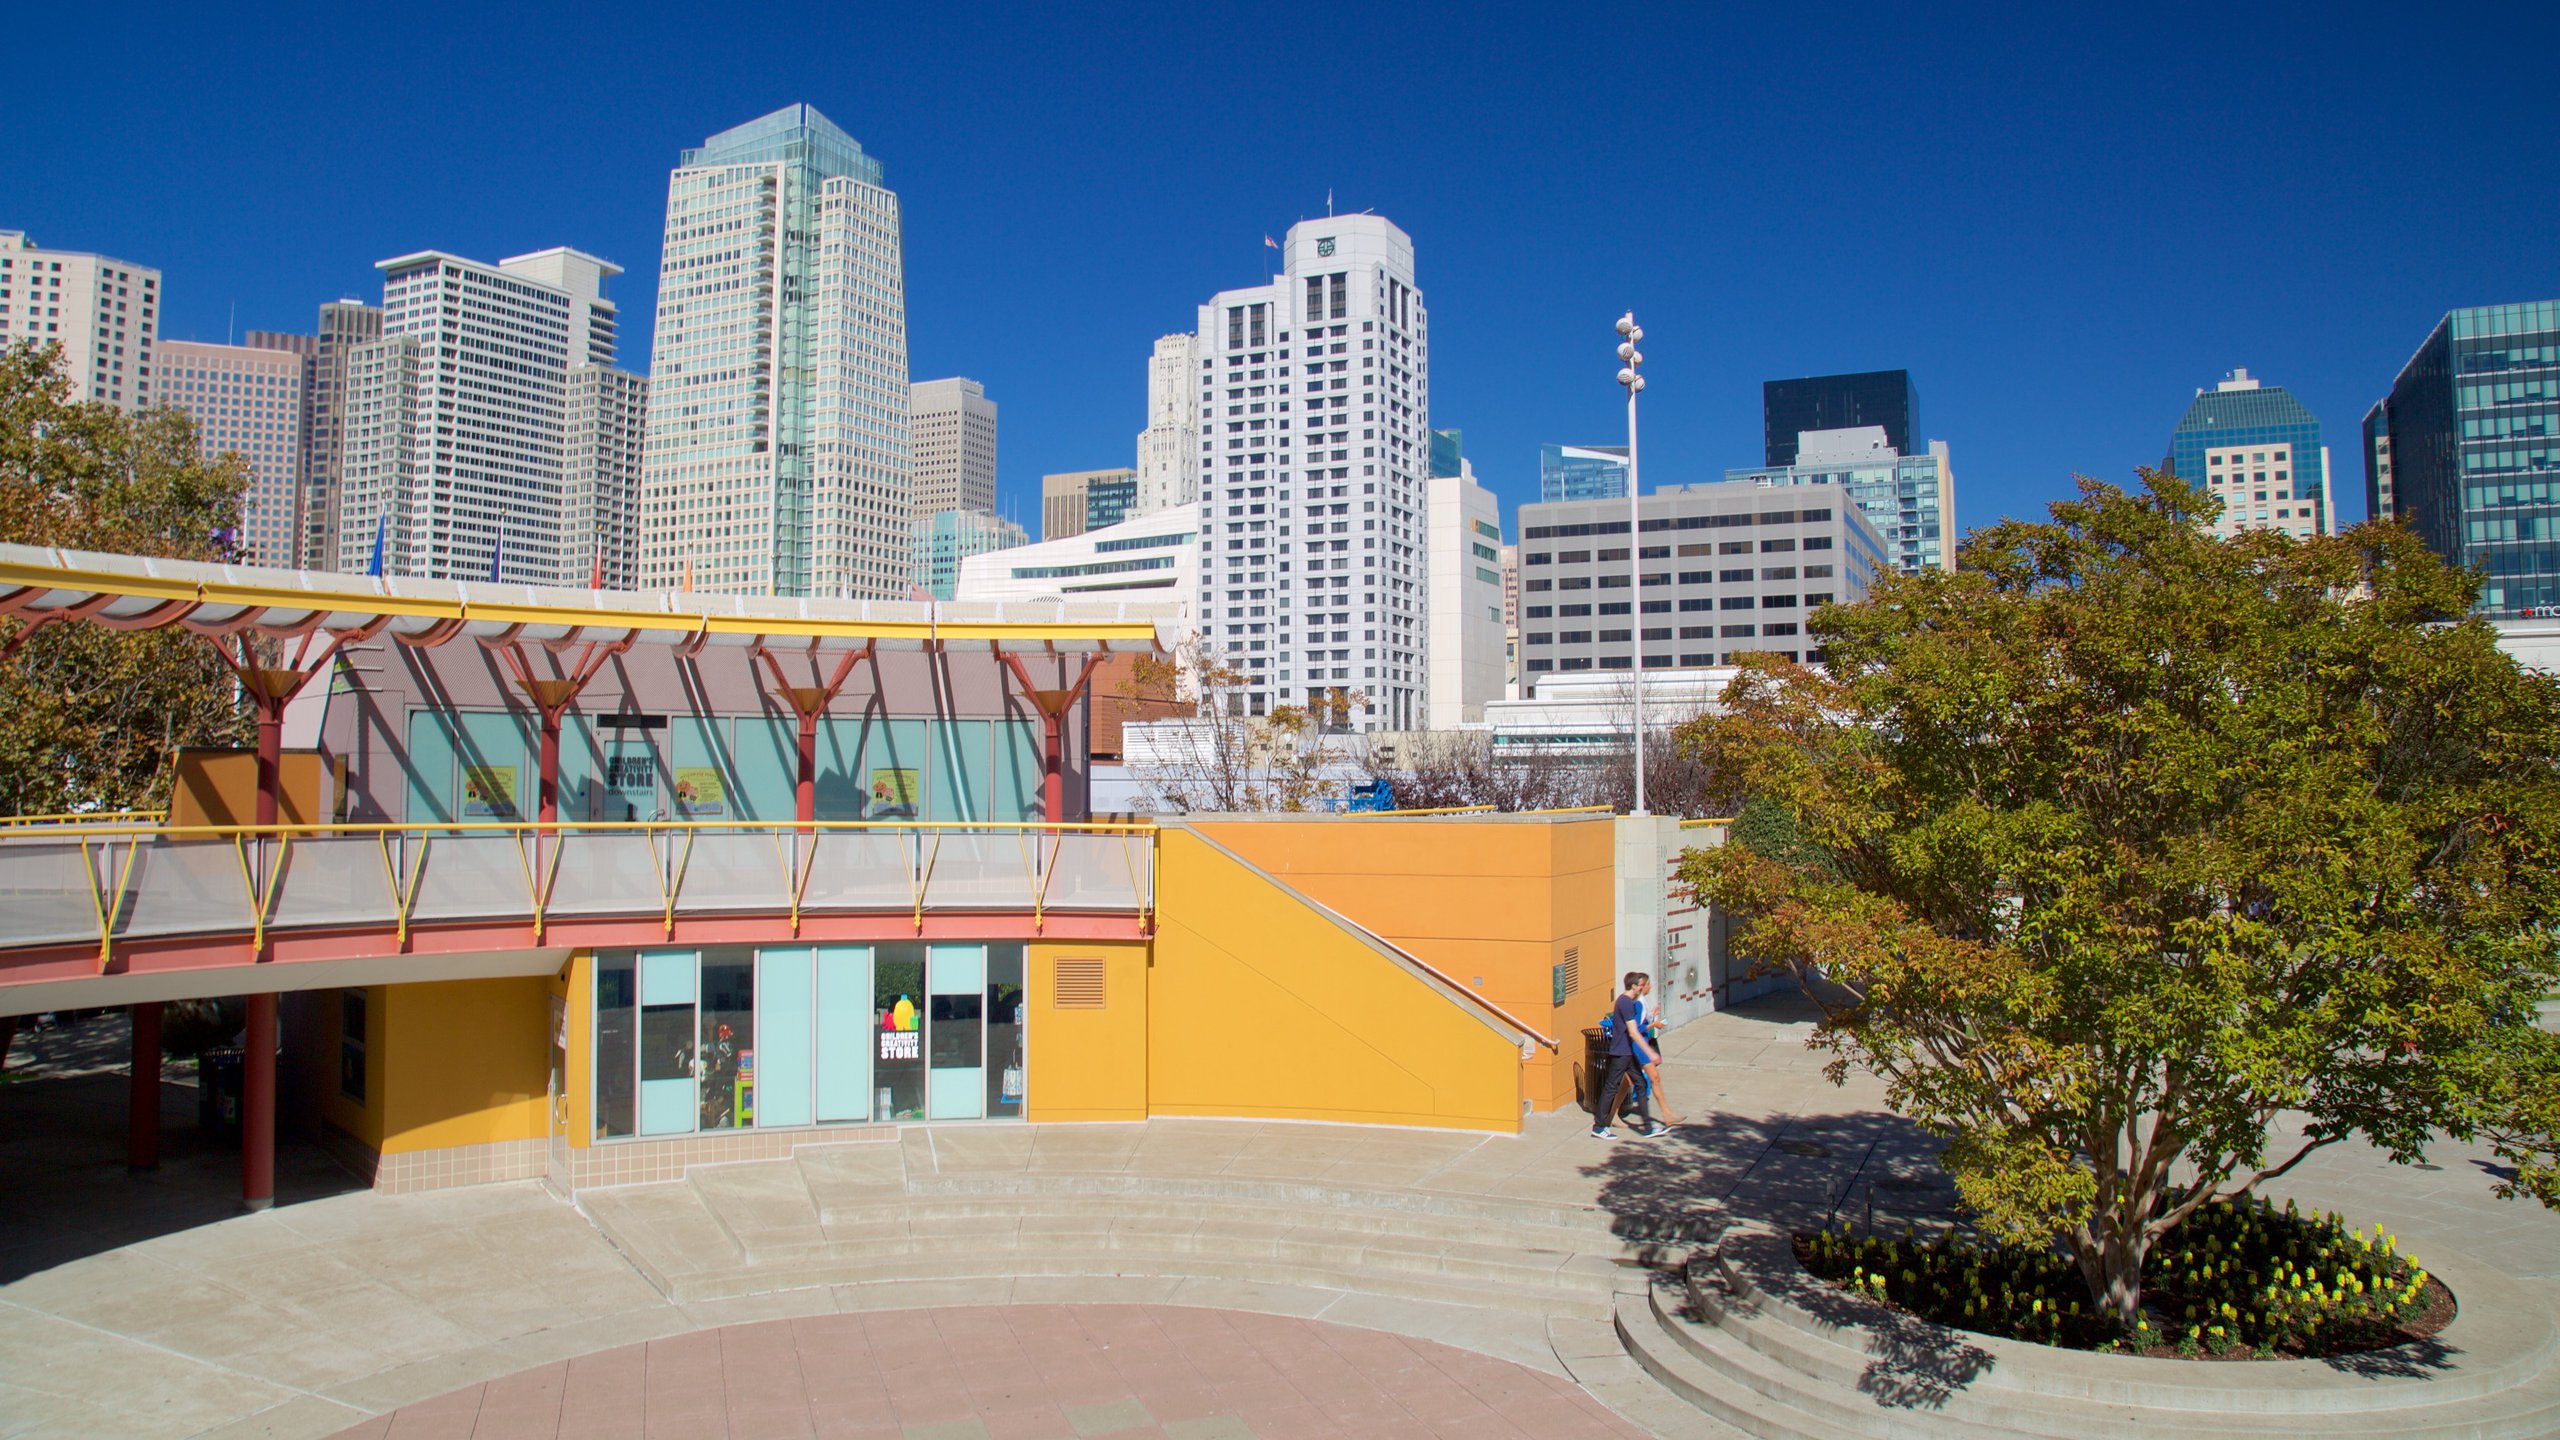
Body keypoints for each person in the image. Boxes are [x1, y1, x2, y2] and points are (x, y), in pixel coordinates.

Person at [1591, 972, 1671, 1140]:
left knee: (1640, 1084)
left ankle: (1648, 1128)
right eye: (1641, 984)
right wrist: (1650, 1052)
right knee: (1612, 1087)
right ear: (1633, 986)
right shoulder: (1626, 1003)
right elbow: (1634, 1032)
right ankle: (1599, 1126)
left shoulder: (1626, 1001)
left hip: (1626, 1052)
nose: (1643, 987)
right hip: (1621, 1053)